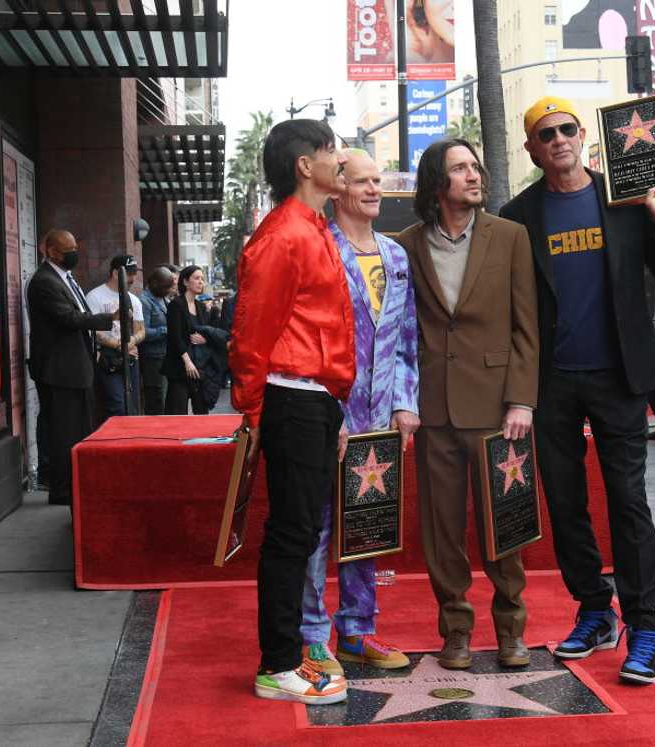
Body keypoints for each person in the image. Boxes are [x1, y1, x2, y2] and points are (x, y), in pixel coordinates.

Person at [500, 96, 655, 685]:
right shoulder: (517, 216)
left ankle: (645, 625)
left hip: (620, 377)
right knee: (565, 504)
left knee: (628, 500)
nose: (558, 140)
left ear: (584, 136)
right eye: (544, 133)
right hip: (551, 381)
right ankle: (592, 609)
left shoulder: (629, 201)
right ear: (532, 148)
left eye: (566, 129)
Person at [397, 137, 539, 671]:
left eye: (476, 166)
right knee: (442, 528)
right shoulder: (404, 245)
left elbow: (527, 328)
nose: (474, 176)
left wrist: (521, 399)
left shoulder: (511, 238)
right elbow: (396, 331)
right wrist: (400, 401)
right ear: (438, 183)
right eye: (461, 169)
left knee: (506, 523)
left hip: (502, 412)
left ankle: (511, 630)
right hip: (432, 411)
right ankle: (455, 628)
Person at [229, 119, 355, 705]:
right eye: (330, 149)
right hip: (290, 397)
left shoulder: (313, 228)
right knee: (291, 532)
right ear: (305, 165)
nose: (340, 157)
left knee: (300, 529)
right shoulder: (283, 234)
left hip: (313, 398)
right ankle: (277, 664)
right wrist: (253, 409)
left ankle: (281, 658)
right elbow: (252, 331)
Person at [299, 149, 419, 677]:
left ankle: (357, 628)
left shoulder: (395, 256)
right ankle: (310, 635)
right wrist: (329, 411)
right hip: (328, 414)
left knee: (366, 522)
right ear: (337, 186)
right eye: (363, 181)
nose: (374, 189)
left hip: (379, 419)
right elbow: (301, 338)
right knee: (316, 527)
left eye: (378, 181)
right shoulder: (318, 248)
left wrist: (404, 402)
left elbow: (408, 340)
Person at [26, 229, 116, 506]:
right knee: (64, 432)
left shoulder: (64, 278)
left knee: (78, 430)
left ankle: (75, 484)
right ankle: (62, 490)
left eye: (75, 247)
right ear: (51, 251)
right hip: (59, 370)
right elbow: (68, 317)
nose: (74, 253)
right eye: (68, 250)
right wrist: (106, 319)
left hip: (76, 368)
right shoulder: (44, 281)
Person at [85, 255, 145, 417]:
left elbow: (141, 330)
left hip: (130, 357)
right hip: (107, 357)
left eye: (134, 273)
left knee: (131, 406)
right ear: (116, 273)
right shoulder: (95, 296)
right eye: (130, 273)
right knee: (116, 405)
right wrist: (119, 345)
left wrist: (131, 341)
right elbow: (91, 329)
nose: (133, 278)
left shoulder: (133, 299)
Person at [162, 266, 219, 415]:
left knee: (201, 410)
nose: (201, 282)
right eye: (196, 278)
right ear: (186, 282)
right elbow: (175, 336)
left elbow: (207, 332)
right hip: (180, 366)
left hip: (199, 366)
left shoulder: (201, 306)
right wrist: (187, 361)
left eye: (202, 279)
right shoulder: (176, 304)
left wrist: (205, 340)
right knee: (177, 411)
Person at [138, 266, 174, 414]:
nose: (168, 290)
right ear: (153, 283)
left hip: (165, 355)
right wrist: (166, 330)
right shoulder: (144, 301)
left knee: (165, 397)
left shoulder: (164, 298)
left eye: (169, 287)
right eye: (165, 286)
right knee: (155, 397)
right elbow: (142, 332)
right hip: (152, 358)